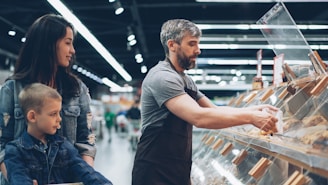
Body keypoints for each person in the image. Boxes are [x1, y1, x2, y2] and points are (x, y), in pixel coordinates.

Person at [131, 19, 279, 185]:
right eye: (192, 44)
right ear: (172, 45)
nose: (198, 50)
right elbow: (199, 117)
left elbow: (214, 109)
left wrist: (254, 110)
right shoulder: (163, 77)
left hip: (177, 166)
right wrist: (250, 118)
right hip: (154, 170)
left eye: (198, 44)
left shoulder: (185, 80)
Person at [0, 14, 96, 184]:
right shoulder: (11, 89)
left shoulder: (76, 89)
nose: (72, 50)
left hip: (66, 181)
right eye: (67, 42)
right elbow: (2, 145)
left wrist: (87, 180)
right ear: (49, 44)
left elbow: (86, 143)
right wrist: (18, 180)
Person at [4, 83, 113, 185]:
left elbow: (86, 172)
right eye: (53, 114)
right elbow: (17, 176)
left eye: (59, 113)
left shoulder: (64, 146)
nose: (59, 119)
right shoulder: (14, 151)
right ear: (32, 117)